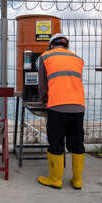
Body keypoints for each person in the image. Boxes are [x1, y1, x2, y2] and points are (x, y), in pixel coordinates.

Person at [37, 33, 85, 190]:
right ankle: (77, 180)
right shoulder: (77, 58)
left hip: (57, 105)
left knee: (56, 143)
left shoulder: (46, 56)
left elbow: (43, 86)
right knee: (76, 142)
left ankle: (55, 179)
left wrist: (44, 99)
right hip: (78, 106)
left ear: (51, 45)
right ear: (66, 46)